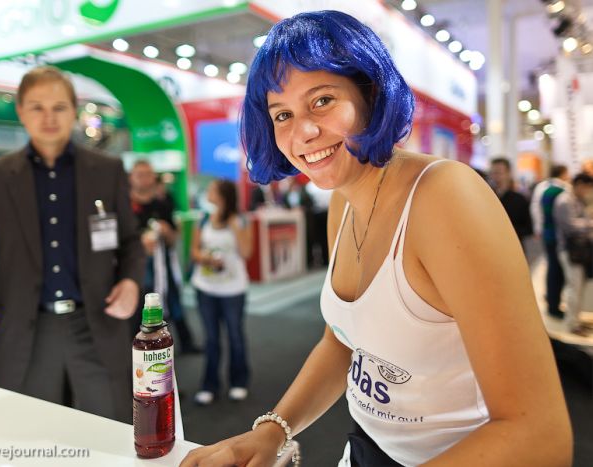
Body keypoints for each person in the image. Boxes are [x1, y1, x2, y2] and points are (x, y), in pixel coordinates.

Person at [181, 11, 571, 466]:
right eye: (282, 114)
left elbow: (539, 435)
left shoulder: (445, 196)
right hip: (367, 448)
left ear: (369, 92)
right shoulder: (343, 202)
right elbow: (342, 341)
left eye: (322, 100)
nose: (302, 131)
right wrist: (273, 430)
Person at [0, 66, 145, 423]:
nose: (49, 117)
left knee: (107, 433)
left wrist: (131, 281)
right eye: (37, 107)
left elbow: (131, 243)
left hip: (96, 327)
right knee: (32, 437)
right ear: (21, 111)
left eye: (59, 107)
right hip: (26, 333)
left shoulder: (107, 170)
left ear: (74, 110)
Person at [189, 179, 252, 405]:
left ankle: (239, 381)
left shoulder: (240, 220)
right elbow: (193, 252)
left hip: (233, 289)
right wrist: (205, 257)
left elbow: (246, 252)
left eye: (212, 190)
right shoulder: (203, 219)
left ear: (224, 195)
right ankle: (209, 385)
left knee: (235, 336)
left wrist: (235, 225)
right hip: (205, 287)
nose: (208, 193)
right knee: (211, 338)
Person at [129, 159, 199, 353]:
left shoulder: (163, 202)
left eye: (148, 174)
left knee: (172, 301)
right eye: (139, 174)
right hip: (136, 267)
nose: (144, 179)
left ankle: (182, 343)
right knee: (137, 309)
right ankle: (140, 348)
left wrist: (166, 232)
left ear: (154, 177)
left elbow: (174, 236)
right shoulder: (123, 205)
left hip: (163, 265)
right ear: (131, 178)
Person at [553, 173, 593, 334]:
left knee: (580, 286)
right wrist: (590, 223)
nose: (588, 192)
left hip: (580, 250)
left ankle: (576, 320)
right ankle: (571, 324)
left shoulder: (577, 200)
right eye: (587, 188)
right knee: (574, 286)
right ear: (580, 184)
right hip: (569, 250)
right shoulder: (564, 200)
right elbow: (570, 226)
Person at [531, 165, 570, 319]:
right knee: (556, 270)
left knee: (551, 267)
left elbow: (535, 209)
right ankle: (553, 304)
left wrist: (538, 228)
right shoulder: (562, 189)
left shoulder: (542, 187)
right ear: (562, 173)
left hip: (547, 234)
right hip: (557, 236)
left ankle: (551, 298)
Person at [488, 157, 533, 245]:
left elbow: (528, 229)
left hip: (515, 247)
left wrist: (506, 231)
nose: (495, 176)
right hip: (491, 247)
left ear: (508, 173)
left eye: (499, 172)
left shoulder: (519, 199)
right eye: (493, 173)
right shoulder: (486, 197)